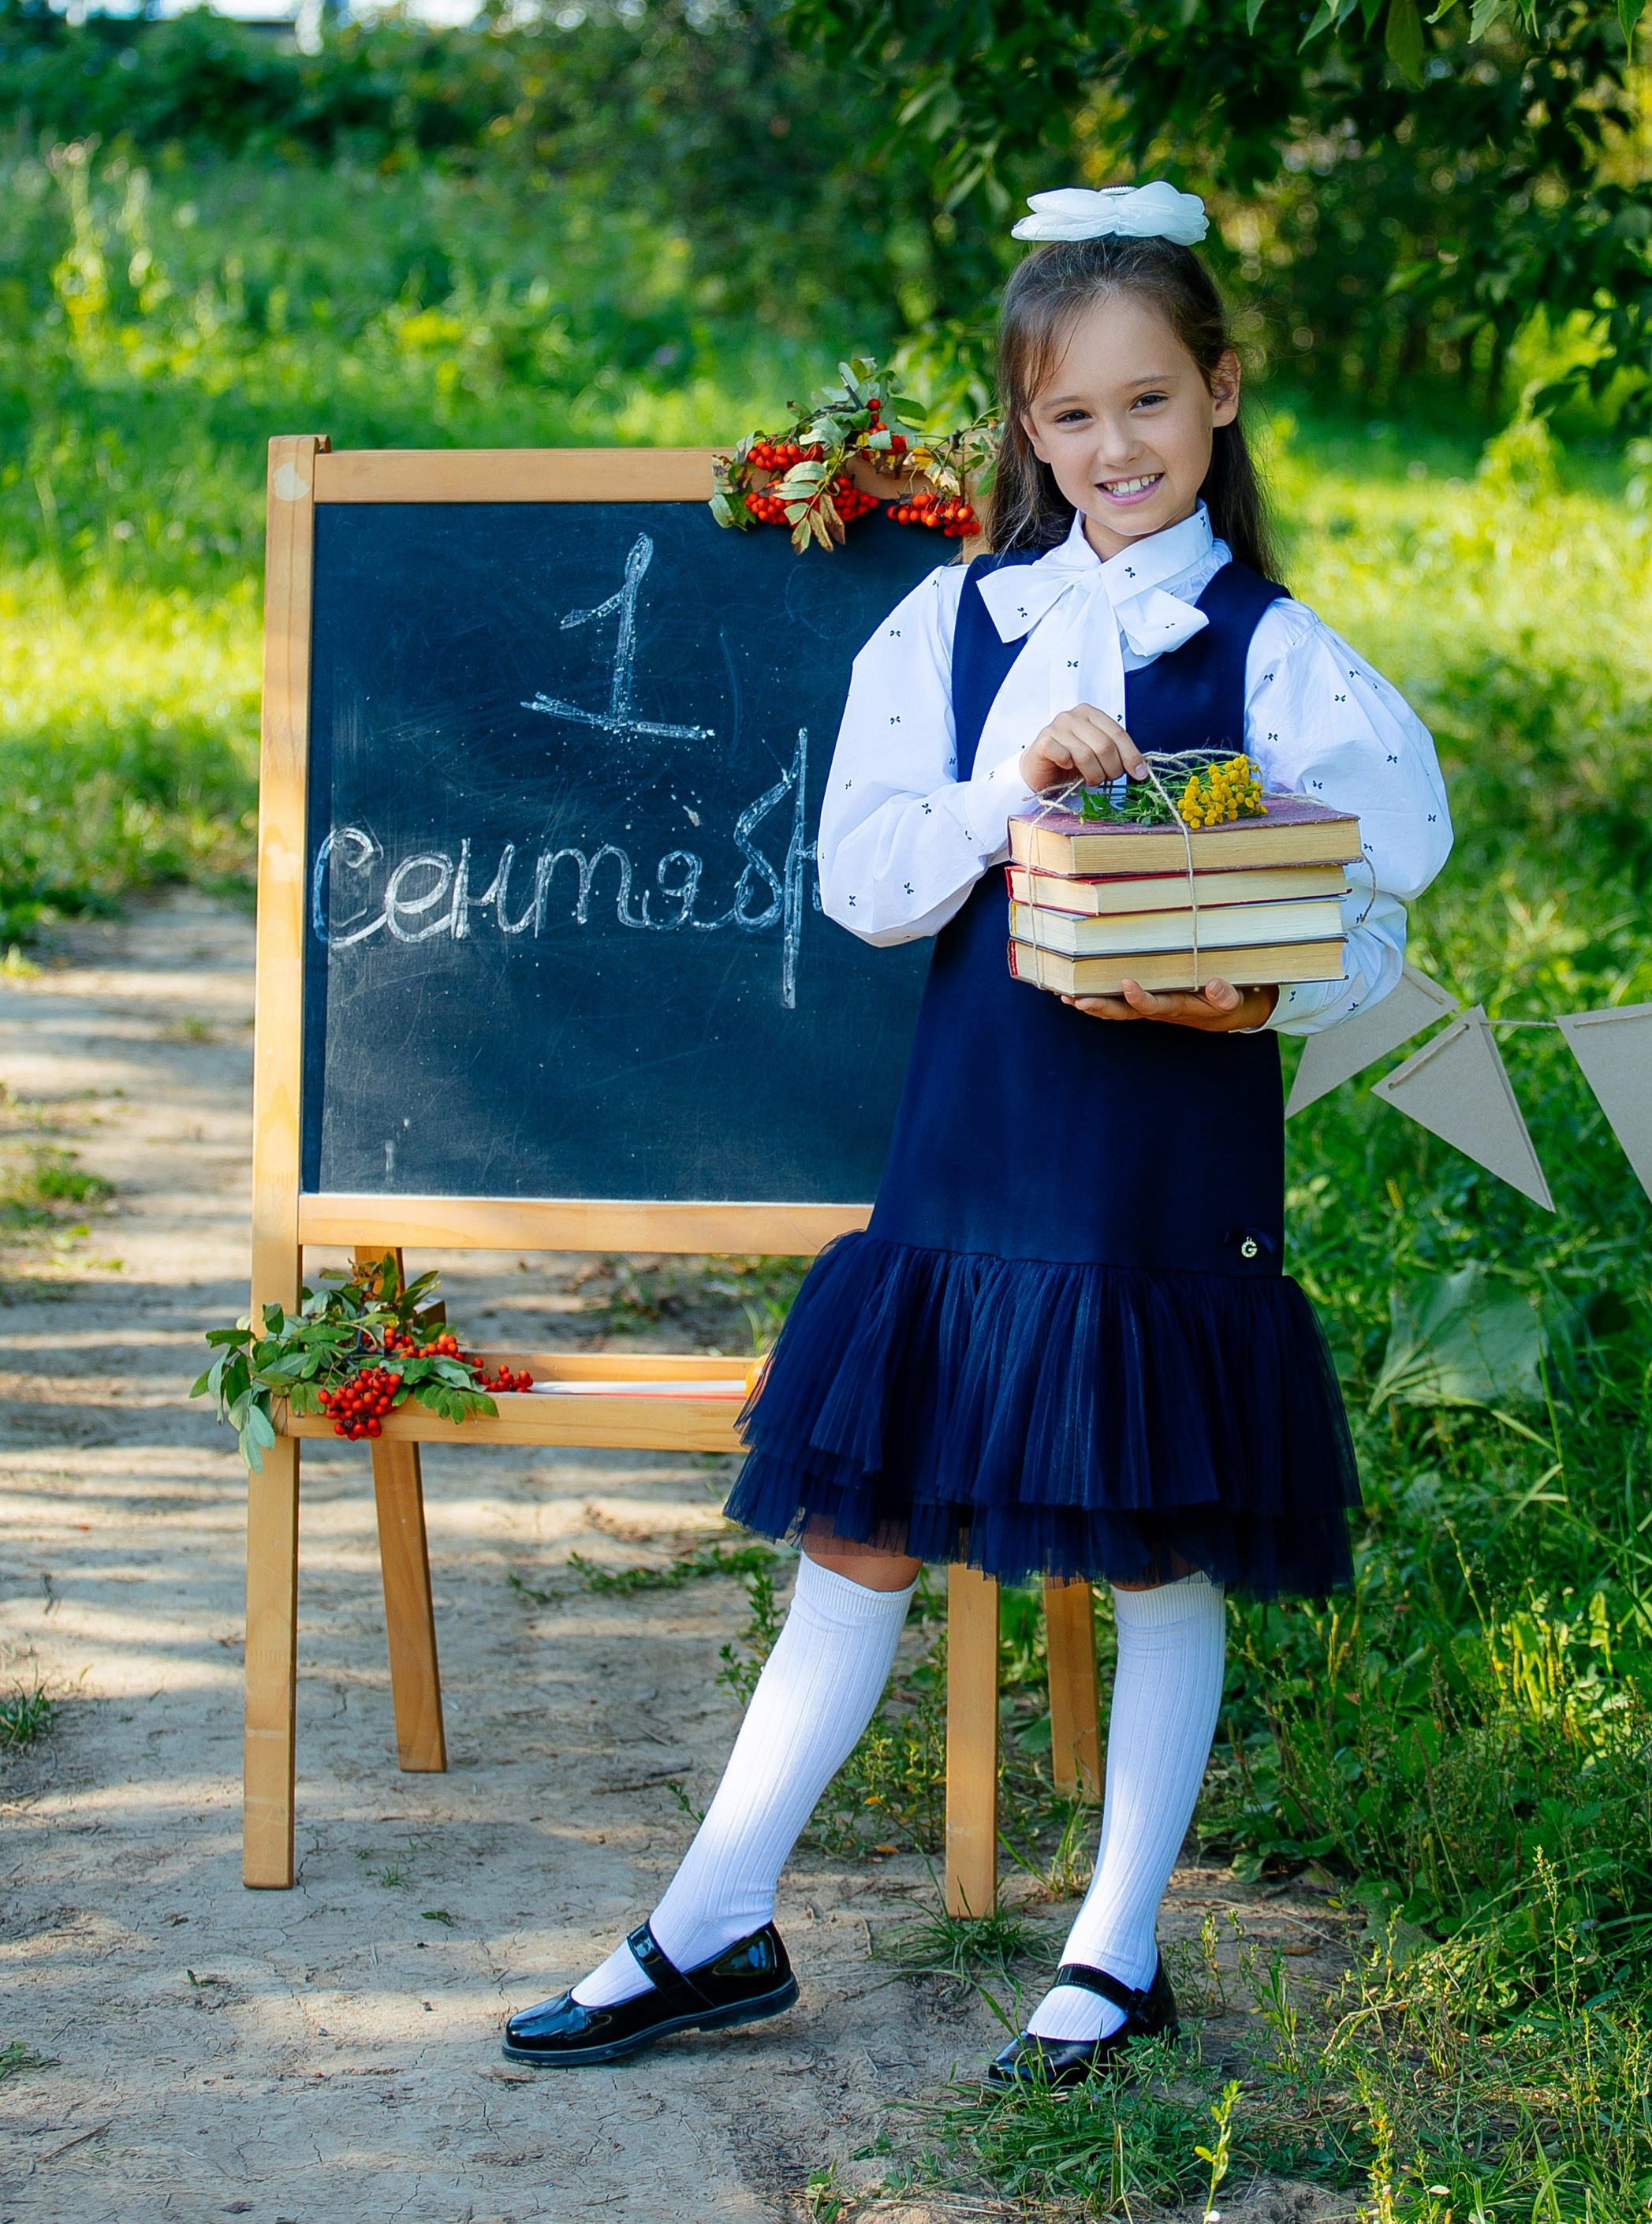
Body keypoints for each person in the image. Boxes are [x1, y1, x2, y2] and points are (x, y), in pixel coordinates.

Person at [505, 179, 1452, 2074]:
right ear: (1025, 427)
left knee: (1152, 1540)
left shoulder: (1274, 649)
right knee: (854, 1531)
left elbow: (1380, 881)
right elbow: (863, 882)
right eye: (1071, 414)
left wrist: (1253, 989)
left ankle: (1115, 1948)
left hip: (1156, 1167)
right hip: (966, 1159)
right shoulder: (949, 626)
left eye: (1151, 402)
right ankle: (714, 1921)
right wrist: (1001, 782)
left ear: (1222, 396)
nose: (1114, 447)